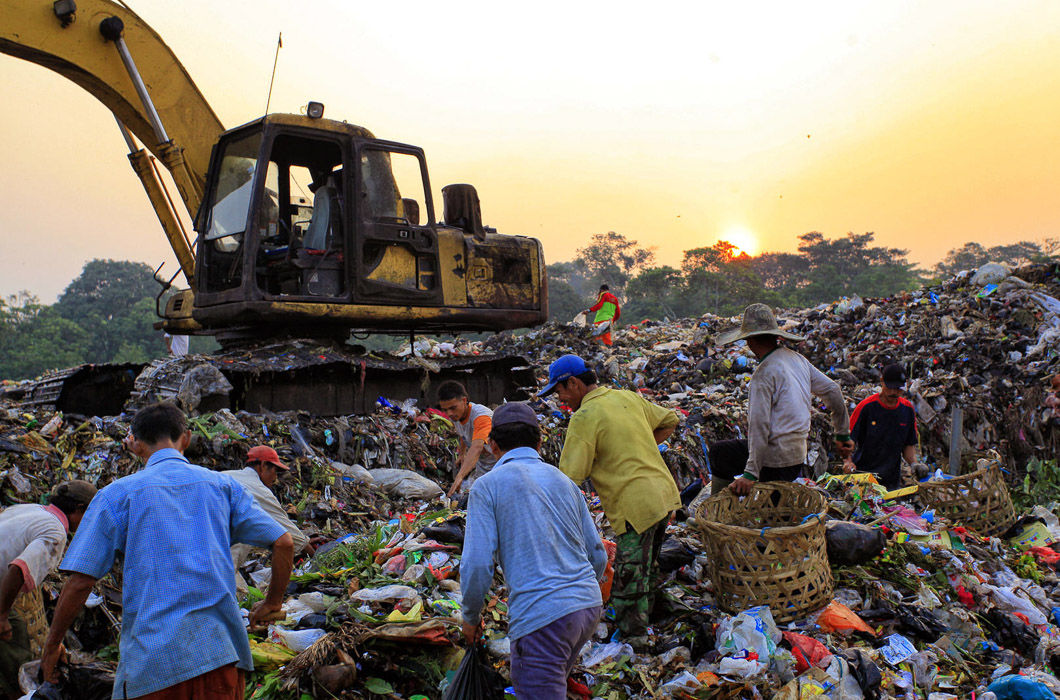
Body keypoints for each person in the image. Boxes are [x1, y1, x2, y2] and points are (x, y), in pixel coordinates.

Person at [41, 402, 294, 699]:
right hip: (221, 655)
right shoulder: (223, 487)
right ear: (186, 438)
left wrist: (52, 645)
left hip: (154, 664)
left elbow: (81, 582)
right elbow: (284, 542)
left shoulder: (117, 496)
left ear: (136, 444)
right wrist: (271, 603)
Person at [460, 402, 606, 700]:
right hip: (588, 608)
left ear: (492, 445)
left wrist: (470, 617)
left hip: (543, 618)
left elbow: (477, 565)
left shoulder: (486, 487)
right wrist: (578, 593)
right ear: (539, 443)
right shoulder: (564, 481)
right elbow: (597, 554)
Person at [542, 354, 680, 642]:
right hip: (664, 495)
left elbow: (569, 478)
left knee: (630, 576)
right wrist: (638, 445)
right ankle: (652, 619)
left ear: (573, 383)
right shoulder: (626, 397)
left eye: (560, 391)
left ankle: (635, 640)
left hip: (635, 505)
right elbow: (670, 419)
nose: (560, 399)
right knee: (647, 566)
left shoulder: (584, 417)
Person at [713, 303, 853, 496]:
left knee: (719, 453)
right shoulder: (797, 359)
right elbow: (833, 390)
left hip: (775, 461)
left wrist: (751, 473)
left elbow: (759, 425)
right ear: (775, 336)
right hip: (797, 456)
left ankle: (720, 507)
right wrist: (842, 434)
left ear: (750, 340)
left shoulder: (763, 374)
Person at [0, 481, 96, 700]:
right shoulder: (55, 531)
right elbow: (19, 568)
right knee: (16, 648)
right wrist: (2, 616)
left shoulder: (33, 509)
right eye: (89, 515)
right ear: (79, 509)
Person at [222, 445, 310, 594]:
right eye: (275, 471)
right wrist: (317, 554)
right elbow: (289, 535)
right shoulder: (257, 489)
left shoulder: (224, 475)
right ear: (263, 466)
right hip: (218, 561)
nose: (275, 478)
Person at [844, 364, 919, 490]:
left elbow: (908, 445)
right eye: (890, 387)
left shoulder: (907, 410)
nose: (893, 392)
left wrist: (914, 464)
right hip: (864, 477)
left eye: (898, 389)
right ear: (882, 382)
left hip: (891, 480)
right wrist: (848, 461)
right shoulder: (866, 407)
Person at [437, 380, 497, 497]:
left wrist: (460, 476)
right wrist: (462, 453)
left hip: (500, 467)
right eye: (445, 410)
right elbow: (462, 434)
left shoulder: (481, 417)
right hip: (483, 468)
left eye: (453, 408)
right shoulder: (457, 416)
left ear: (464, 401)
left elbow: (477, 447)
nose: (449, 414)